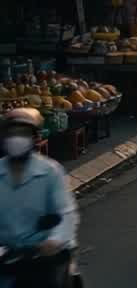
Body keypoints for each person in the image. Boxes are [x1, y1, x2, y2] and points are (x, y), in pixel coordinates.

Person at [1, 108, 79, 287]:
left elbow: (66, 213)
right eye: (12, 133)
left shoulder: (50, 171)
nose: (16, 138)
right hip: (7, 258)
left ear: (35, 137)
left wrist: (55, 241)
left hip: (42, 257)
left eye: (23, 133)